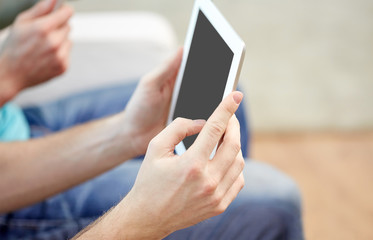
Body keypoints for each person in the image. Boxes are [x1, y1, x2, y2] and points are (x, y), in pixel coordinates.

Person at [0, 0, 304, 239]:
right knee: (277, 204)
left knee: (230, 99)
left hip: (12, 133)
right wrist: (141, 218)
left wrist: (129, 133)